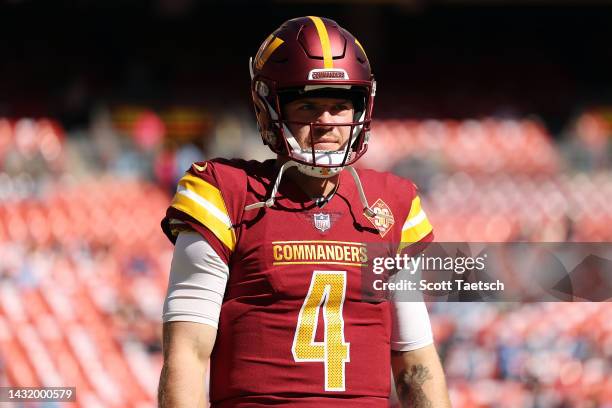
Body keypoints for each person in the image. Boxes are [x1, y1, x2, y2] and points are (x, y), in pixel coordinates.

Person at [158, 16, 451, 407]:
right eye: (308, 105)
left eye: (339, 105)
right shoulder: (223, 193)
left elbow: (415, 362)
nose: (326, 122)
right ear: (268, 108)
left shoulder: (391, 205)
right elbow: (188, 355)